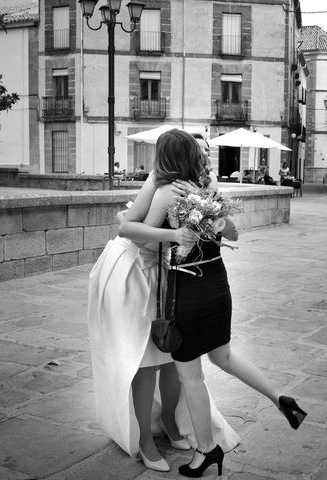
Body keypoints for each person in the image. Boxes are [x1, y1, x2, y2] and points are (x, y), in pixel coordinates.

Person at [140, 129, 308, 478]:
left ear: (166, 158)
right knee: (224, 356)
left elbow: (143, 245)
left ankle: (206, 451)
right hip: (218, 284)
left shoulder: (169, 192)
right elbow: (232, 233)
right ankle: (279, 397)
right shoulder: (211, 191)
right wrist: (212, 217)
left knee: (192, 377)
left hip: (188, 288)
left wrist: (171, 236)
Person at [88, 133, 239, 473]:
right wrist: (174, 235)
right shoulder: (164, 185)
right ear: (186, 156)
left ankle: (170, 423)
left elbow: (125, 218)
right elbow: (127, 228)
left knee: (172, 354)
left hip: (160, 272)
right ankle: (143, 440)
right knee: (145, 361)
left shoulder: (188, 186)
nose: (205, 156)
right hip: (131, 273)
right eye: (199, 151)